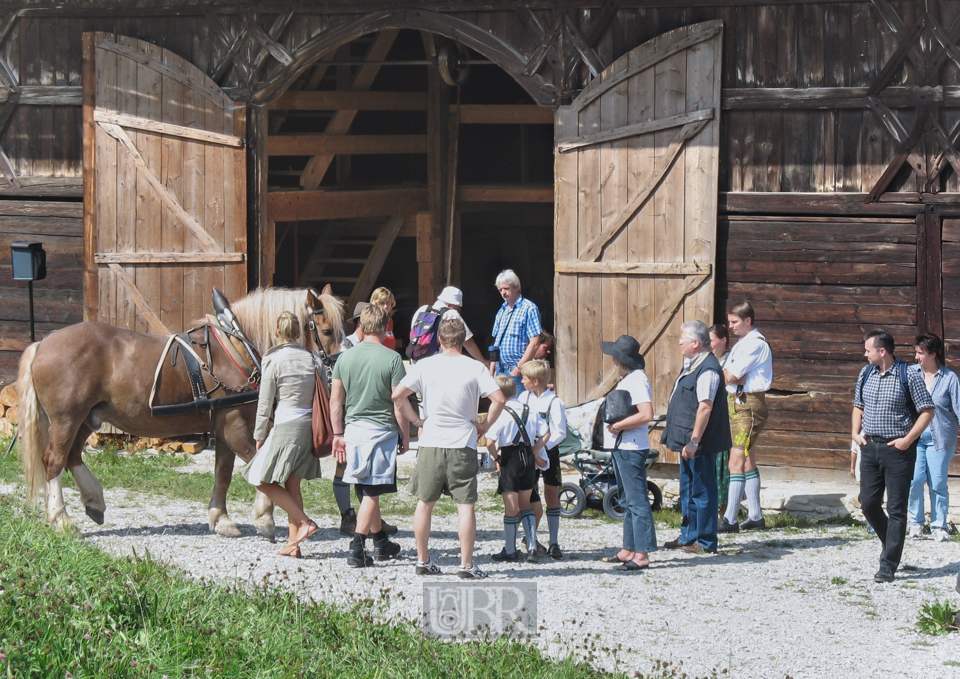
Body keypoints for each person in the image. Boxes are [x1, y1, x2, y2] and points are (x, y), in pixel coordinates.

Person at [392, 317, 505, 579]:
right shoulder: (475, 368)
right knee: (465, 506)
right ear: (463, 341)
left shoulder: (425, 365)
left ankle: (422, 560)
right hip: (461, 442)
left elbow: (398, 396)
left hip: (431, 440)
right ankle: (466, 565)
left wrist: (416, 420)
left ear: (439, 340)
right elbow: (499, 399)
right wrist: (485, 425)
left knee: (425, 503)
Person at [852, 329, 934, 583]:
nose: (865, 354)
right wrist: (855, 434)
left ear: (882, 351)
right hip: (870, 447)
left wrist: (908, 440)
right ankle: (892, 544)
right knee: (867, 503)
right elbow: (858, 405)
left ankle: (888, 564)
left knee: (897, 508)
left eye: (868, 350)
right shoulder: (865, 373)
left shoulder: (908, 374)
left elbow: (927, 410)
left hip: (898, 450)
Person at [330, 304, 407, 567]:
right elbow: (398, 402)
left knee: (364, 488)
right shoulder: (393, 359)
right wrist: (405, 434)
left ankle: (381, 541)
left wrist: (337, 434)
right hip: (382, 429)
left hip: (353, 429)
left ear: (361, 326)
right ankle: (358, 547)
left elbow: (335, 402)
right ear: (386, 326)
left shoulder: (344, 358)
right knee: (373, 490)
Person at [243, 311, 322, 558]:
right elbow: (325, 392)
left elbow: (265, 403)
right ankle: (293, 544)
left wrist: (259, 435)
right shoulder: (312, 357)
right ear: (299, 334)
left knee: (259, 478)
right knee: (292, 484)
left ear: (277, 333)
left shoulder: (273, 360)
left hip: (288, 425)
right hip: (311, 426)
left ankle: (305, 522)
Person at [661, 321, 732, 554]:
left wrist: (694, 442)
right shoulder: (694, 364)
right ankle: (688, 535)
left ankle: (705, 541)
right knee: (688, 489)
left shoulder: (708, 369)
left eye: (683, 338)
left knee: (703, 492)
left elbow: (705, 407)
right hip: (688, 442)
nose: (679, 342)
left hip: (699, 443)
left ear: (695, 343)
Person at [598, 335, 656, 572]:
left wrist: (619, 426)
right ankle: (629, 548)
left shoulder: (637, 380)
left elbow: (646, 414)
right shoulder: (630, 378)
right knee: (627, 499)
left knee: (637, 501)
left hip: (631, 446)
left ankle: (641, 554)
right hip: (623, 446)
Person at [718, 302, 773, 534]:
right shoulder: (744, 343)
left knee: (736, 459)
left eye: (734, 322)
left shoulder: (755, 345)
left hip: (747, 403)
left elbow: (729, 375)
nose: (730, 327)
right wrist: (734, 377)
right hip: (737, 402)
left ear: (748, 320)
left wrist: (734, 378)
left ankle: (730, 518)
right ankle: (755, 515)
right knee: (747, 458)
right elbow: (731, 375)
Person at [487, 374, 548, 564]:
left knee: (511, 508)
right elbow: (546, 433)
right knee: (526, 504)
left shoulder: (500, 412)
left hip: (510, 459)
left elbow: (489, 442)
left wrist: (497, 457)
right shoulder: (530, 409)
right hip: (528, 459)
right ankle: (531, 547)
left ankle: (511, 549)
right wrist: (534, 450)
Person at [907, 333, 959, 542]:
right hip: (914, 438)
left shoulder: (949, 378)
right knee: (915, 481)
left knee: (937, 483)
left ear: (933, 354)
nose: (916, 357)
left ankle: (939, 526)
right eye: (916, 352)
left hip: (941, 439)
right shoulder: (910, 374)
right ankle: (916, 523)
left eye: (920, 353)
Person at [519, 359, 567, 558]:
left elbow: (560, 432)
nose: (521, 381)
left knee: (552, 494)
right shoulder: (524, 398)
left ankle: (554, 541)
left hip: (549, 451)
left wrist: (542, 448)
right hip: (529, 451)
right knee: (530, 494)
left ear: (536, 381)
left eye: (525, 378)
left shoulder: (555, 402)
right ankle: (531, 537)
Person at [491, 269, 542, 395]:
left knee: (519, 408)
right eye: (500, 290)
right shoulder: (501, 310)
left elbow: (535, 342)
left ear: (517, 288)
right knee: (502, 408)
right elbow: (496, 342)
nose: (503, 292)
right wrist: (492, 368)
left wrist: (519, 368)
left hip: (518, 371)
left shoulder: (529, 309)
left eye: (506, 288)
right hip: (500, 369)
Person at [410, 286, 488, 364]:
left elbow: (412, 334)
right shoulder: (451, 314)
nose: (458, 311)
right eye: (458, 308)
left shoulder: (422, 310)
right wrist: (483, 361)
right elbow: (468, 343)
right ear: (449, 305)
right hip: (436, 364)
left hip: (416, 362)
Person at [709, 324, 732, 519]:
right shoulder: (708, 361)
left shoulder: (730, 360)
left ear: (723, 340)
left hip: (725, 414)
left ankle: (724, 508)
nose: (710, 344)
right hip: (711, 415)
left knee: (724, 463)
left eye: (712, 340)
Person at [370, 287, 397, 351]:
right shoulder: (370, 321)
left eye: (388, 302)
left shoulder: (390, 321)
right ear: (375, 304)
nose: (385, 306)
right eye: (382, 303)